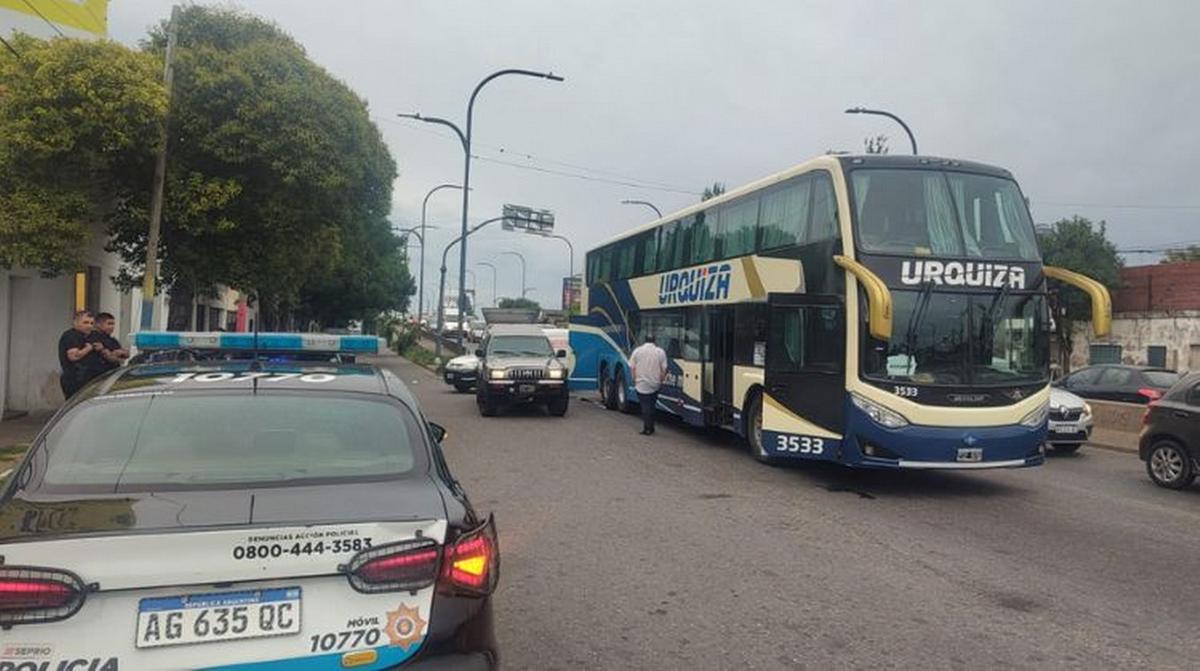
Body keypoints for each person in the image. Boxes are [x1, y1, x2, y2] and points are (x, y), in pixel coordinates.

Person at [629, 334, 668, 436]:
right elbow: (663, 369)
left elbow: (632, 367)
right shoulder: (660, 352)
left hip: (641, 383)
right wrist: (661, 380)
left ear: (644, 340)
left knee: (645, 406)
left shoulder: (637, 351)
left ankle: (647, 428)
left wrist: (634, 379)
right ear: (654, 340)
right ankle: (651, 427)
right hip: (655, 383)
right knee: (652, 405)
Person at [57, 310, 101, 399]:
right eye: (85, 322)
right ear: (75, 323)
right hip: (75, 380)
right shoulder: (70, 336)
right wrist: (88, 349)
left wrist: (101, 348)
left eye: (91, 323)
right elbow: (73, 356)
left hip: (91, 379)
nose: (89, 326)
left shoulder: (92, 335)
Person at [88, 312, 129, 377]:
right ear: (98, 324)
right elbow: (110, 358)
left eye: (113, 324)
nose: (112, 327)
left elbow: (126, 355)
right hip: (97, 376)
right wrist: (114, 355)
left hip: (111, 376)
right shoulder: (93, 337)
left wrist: (119, 353)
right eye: (109, 324)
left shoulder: (112, 340)